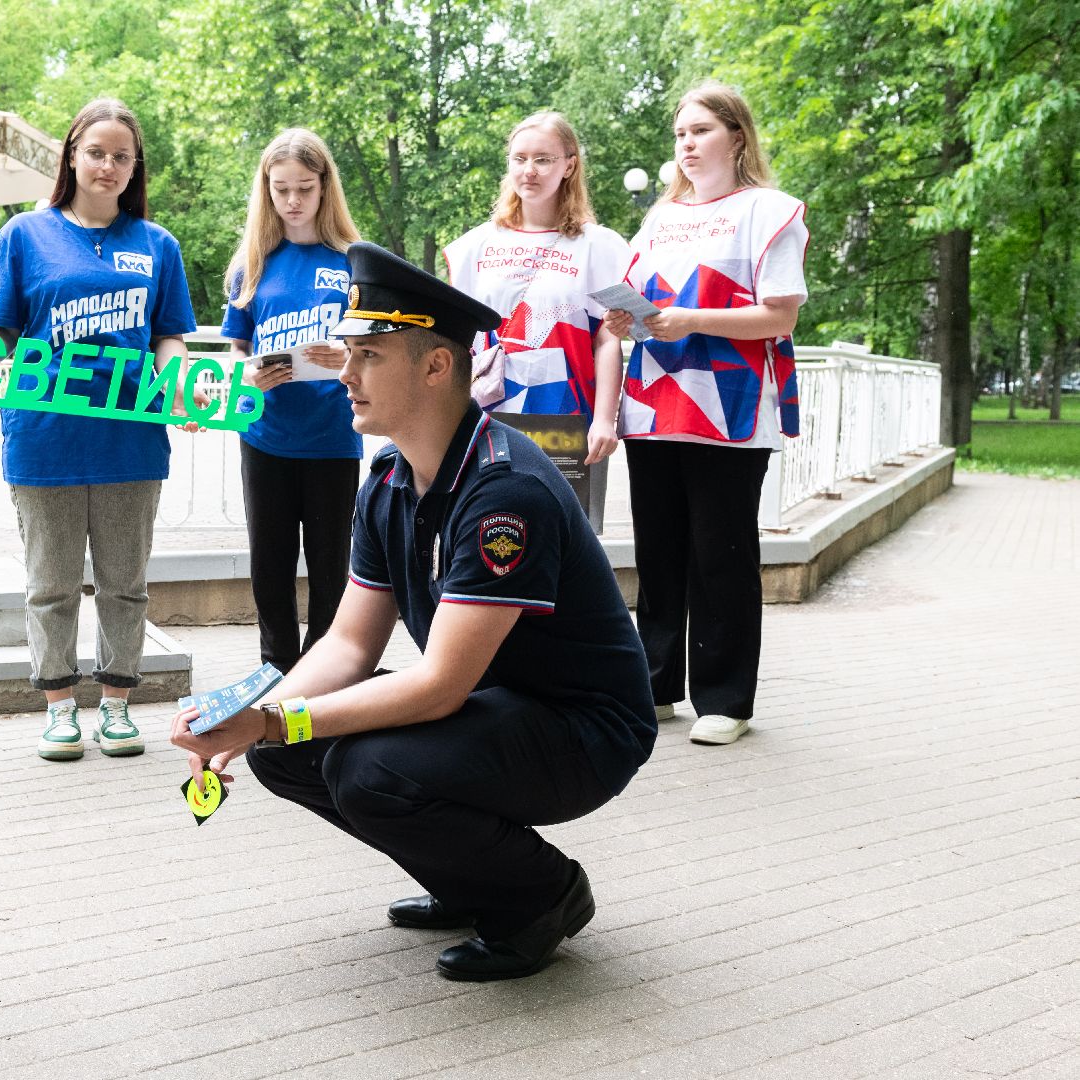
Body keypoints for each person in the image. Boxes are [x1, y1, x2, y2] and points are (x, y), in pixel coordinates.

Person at [172, 242, 657, 982]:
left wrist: (271, 717)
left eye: (368, 355)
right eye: (348, 353)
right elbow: (347, 645)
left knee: (370, 769)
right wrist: (246, 714)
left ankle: (540, 897)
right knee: (290, 752)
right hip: (502, 704)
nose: (346, 373)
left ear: (435, 366)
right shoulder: (391, 481)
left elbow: (438, 689)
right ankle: (470, 878)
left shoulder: (504, 492)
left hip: (583, 731)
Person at [0, 98, 198, 762]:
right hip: (44, 438)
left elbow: (169, 338)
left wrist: (177, 382)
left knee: (125, 584)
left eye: (120, 156)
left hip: (132, 442)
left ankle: (120, 707)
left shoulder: (157, 246)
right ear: (72, 155)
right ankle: (60, 708)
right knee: (52, 583)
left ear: (134, 168)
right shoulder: (24, 235)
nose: (107, 165)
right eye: (95, 151)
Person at [604, 81, 809, 746]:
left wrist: (690, 319)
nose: (687, 145)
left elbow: (778, 314)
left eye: (700, 131)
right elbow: (645, 309)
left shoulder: (770, 211)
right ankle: (656, 686)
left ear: (737, 136)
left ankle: (725, 700)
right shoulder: (659, 220)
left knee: (720, 553)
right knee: (659, 551)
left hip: (730, 404)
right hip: (654, 402)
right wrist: (625, 317)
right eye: (680, 134)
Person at [222, 129, 363, 674]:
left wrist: (347, 359)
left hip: (333, 438)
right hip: (266, 437)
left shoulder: (354, 261)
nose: (294, 201)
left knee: (331, 566)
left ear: (325, 187)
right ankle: (274, 669)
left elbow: (377, 353)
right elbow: (235, 355)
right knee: (270, 564)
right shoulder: (251, 263)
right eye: (281, 190)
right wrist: (248, 378)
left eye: (305, 187)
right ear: (267, 191)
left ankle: (322, 671)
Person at [443, 110, 629, 466]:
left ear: (569, 166)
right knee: (490, 520)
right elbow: (456, 339)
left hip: (565, 417)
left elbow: (608, 339)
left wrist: (606, 419)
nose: (530, 170)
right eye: (520, 158)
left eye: (543, 160)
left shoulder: (600, 247)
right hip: (485, 418)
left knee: (566, 521)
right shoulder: (474, 245)